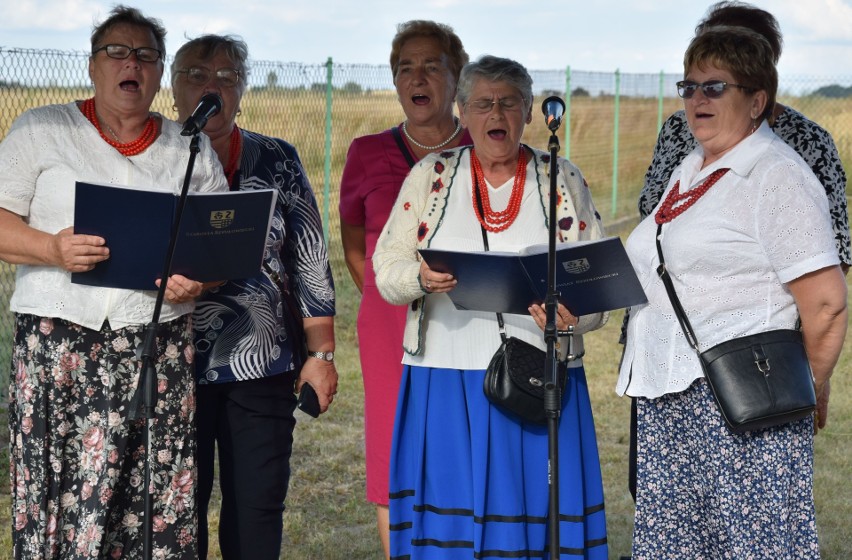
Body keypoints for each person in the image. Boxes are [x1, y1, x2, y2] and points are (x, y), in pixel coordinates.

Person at [0, 6, 228, 559]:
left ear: (158, 73)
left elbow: (223, 248)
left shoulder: (189, 147)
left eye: (147, 55)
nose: (133, 64)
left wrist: (197, 281)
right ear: (93, 66)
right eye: (118, 52)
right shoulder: (41, 128)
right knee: (63, 490)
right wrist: (52, 248)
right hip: (60, 345)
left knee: (149, 496)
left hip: (156, 348)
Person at [618, 26, 847, 558]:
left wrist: (797, 391)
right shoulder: (692, 167)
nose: (697, 99)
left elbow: (827, 302)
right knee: (677, 546)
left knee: (755, 547)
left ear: (756, 100)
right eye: (689, 86)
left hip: (744, 406)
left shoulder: (775, 176)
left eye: (715, 87)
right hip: (669, 398)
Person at [373, 55, 609, 559]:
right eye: (482, 103)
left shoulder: (561, 179)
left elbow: (596, 290)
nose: (495, 114)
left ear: (528, 111)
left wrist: (573, 314)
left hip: (540, 375)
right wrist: (420, 277)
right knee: (452, 524)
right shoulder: (431, 177)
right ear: (461, 111)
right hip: (443, 374)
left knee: (533, 523)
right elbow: (386, 273)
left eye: (508, 103)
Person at [171, 35, 338, 560]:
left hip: (262, 363)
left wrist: (322, 356)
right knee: (176, 512)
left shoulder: (276, 159)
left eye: (226, 76)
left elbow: (309, 259)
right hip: (174, 363)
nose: (211, 86)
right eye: (197, 74)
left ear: (242, 89)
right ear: (173, 88)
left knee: (258, 506)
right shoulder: (154, 159)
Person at [338, 19, 470, 557]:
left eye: (431, 65)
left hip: (467, 321)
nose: (417, 77)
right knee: (393, 457)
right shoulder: (367, 152)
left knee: (460, 450)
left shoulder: (483, 145)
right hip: (390, 325)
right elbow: (353, 245)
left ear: (457, 76)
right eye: (404, 68)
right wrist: (393, 294)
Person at [639, 1, 850, 271]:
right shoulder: (677, 129)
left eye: (718, 83)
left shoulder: (806, 142)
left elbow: (834, 256)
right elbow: (652, 210)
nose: (701, 95)